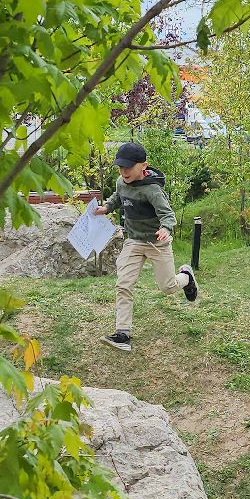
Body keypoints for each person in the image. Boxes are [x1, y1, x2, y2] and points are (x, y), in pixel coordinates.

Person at [92, 141, 197, 351]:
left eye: (129, 167)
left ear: (144, 166)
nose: (124, 171)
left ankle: (186, 276)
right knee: (123, 284)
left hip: (157, 242)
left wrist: (166, 228)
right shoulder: (121, 182)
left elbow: (167, 214)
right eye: (121, 167)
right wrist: (107, 207)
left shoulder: (152, 190)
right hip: (134, 241)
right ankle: (123, 334)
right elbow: (118, 198)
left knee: (167, 287)